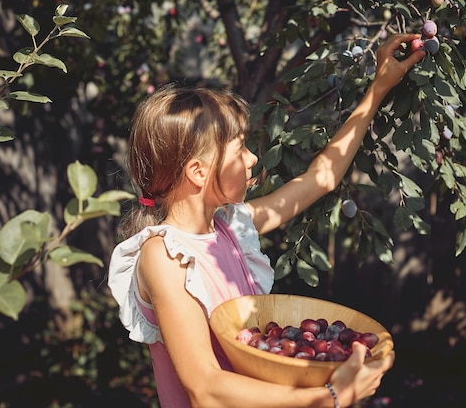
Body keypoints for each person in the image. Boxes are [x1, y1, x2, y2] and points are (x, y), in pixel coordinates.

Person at [108, 33, 425, 408]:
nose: (252, 160)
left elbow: (322, 178)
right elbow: (206, 389)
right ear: (198, 171)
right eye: (240, 149)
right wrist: (333, 397)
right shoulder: (164, 258)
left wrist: (379, 86)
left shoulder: (231, 228)